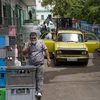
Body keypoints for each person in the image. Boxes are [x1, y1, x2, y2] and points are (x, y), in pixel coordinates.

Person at [22, 32, 51, 99]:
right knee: (32, 79)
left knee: (39, 78)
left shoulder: (41, 43)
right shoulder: (27, 44)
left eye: (34, 38)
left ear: (36, 37)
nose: (33, 39)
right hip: (31, 65)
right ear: (30, 38)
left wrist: (48, 59)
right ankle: (34, 91)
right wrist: (28, 47)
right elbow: (24, 53)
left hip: (40, 64)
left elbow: (46, 50)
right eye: (32, 38)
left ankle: (39, 92)